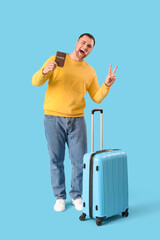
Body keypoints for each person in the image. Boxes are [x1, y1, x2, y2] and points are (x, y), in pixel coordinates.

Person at [32, 33, 117, 212]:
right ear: (77, 42)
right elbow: (35, 82)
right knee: (56, 160)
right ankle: (59, 197)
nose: (85, 48)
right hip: (53, 118)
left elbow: (97, 97)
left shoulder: (89, 70)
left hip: (77, 120)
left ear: (90, 51)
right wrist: (45, 71)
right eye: (83, 43)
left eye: (89, 46)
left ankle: (77, 195)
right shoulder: (59, 59)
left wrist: (107, 85)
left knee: (79, 161)